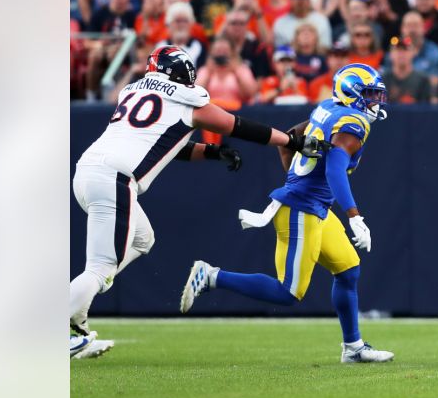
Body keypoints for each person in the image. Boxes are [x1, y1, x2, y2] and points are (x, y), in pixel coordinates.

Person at [70, 45, 323, 359]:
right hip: (115, 181)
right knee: (99, 267)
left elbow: (165, 141)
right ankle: (65, 322)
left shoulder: (131, 91)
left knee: (142, 238)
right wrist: (291, 140)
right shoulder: (185, 98)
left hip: (88, 173)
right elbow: (237, 126)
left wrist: (212, 152)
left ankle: (76, 321)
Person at [182, 63, 393, 363]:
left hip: (313, 206)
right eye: (370, 94)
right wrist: (354, 216)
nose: (376, 101)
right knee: (288, 292)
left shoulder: (328, 107)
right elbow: (335, 168)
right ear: (351, 93)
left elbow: (290, 137)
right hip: (301, 209)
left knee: (348, 270)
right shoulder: (353, 121)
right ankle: (212, 276)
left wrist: (293, 176)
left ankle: (353, 347)